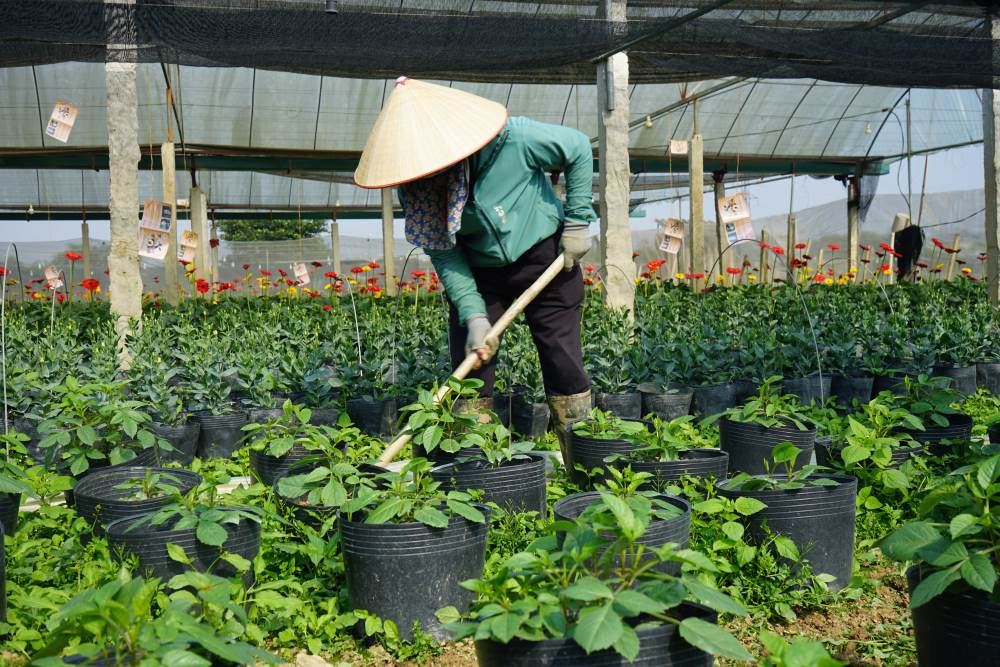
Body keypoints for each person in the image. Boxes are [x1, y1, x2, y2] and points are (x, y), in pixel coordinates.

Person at [354, 76, 594, 469]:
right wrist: (475, 316)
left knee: (562, 360)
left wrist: (577, 222)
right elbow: (446, 255)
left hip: (546, 260)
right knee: (471, 372)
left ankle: (584, 463)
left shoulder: (514, 139)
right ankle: (475, 474)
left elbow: (578, 148)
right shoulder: (420, 190)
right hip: (481, 278)